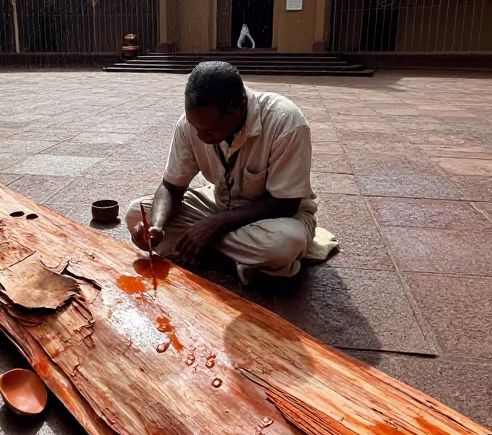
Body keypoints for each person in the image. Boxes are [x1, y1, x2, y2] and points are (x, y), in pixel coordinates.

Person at [126, 61, 335, 285]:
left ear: (240, 106)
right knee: (137, 213)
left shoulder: (285, 121)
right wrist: (156, 226)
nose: (201, 135)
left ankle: (208, 252)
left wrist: (212, 226)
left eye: (210, 130)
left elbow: (286, 203)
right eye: (194, 126)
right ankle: (237, 263)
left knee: (281, 245)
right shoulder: (191, 124)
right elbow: (171, 187)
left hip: (279, 216)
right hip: (219, 204)